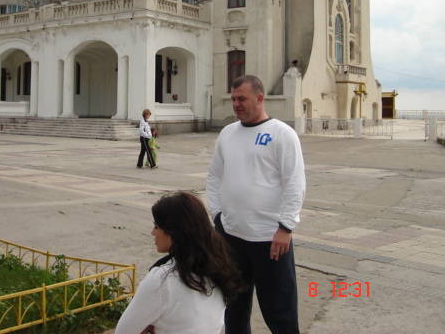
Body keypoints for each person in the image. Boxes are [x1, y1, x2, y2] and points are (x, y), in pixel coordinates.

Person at [207, 75, 306, 334]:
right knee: (234, 310)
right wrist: (218, 216)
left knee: (280, 312)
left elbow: (295, 183)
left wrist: (286, 227)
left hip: (270, 241)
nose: (236, 104)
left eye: (242, 99)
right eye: (233, 99)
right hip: (231, 237)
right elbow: (215, 176)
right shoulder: (228, 134)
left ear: (260, 98)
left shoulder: (282, 134)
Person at [115, 191, 241, 334]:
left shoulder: (162, 279)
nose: (153, 233)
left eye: (157, 226)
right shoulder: (218, 269)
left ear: (173, 232)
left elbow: (123, 331)